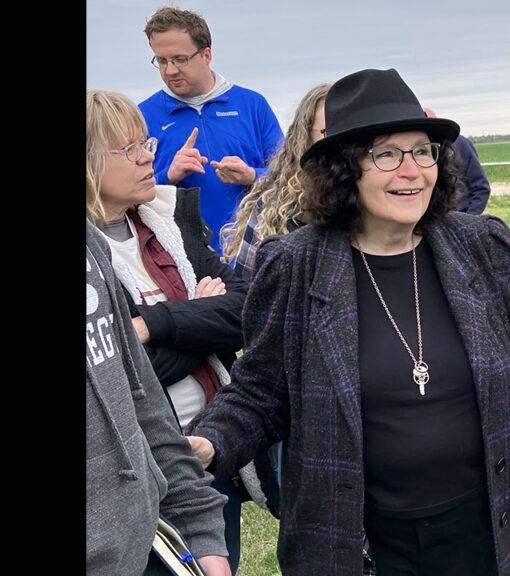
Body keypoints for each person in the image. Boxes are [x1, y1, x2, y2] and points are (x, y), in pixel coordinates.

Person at [187, 68, 510, 576]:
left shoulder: (484, 246)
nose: (412, 171)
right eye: (387, 155)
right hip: (359, 542)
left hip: (491, 529)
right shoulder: (292, 264)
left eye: (423, 151)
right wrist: (211, 441)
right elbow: (261, 391)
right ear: (344, 169)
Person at [87, 88, 261, 573]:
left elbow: (245, 307)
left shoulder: (168, 223)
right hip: (134, 468)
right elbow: (122, 373)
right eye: (130, 149)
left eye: (146, 143)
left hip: (207, 448)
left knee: (217, 552)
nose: (150, 157)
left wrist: (155, 323)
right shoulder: (91, 259)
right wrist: (197, 320)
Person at [138, 6, 284, 254]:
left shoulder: (252, 105)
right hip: (178, 260)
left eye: (180, 59)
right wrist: (168, 177)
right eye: (161, 61)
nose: (170, 70)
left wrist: (251, 176)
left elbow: (290, 179)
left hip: (254, 253)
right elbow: (126, 198)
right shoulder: (142, 115)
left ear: (207, 55)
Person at [221, 82, 330, 281]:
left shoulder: (379, 204)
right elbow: (245, 290)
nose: (340, 141)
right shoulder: (273, 206)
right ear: (304, 137)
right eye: (328, 132)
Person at [424, 107, 492, 214]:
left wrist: (470, 220)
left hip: (461, 214)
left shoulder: (461, 144)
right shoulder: (414, 152)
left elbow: (481, 188)